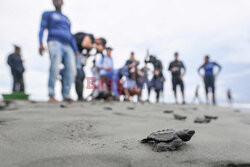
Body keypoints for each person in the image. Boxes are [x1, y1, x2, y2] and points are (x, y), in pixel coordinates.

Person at [39, 0, 79, 102]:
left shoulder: (67, 19)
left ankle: (66, 94)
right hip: (54, 42)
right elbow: (42, 28)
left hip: (68, 45)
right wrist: (40, 43)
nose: (57, 1)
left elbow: (70, 35)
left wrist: (76, 50)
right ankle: (51, 94)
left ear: (62, 2)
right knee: (55, 64)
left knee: (72, 69)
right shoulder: (48, 14)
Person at [74, 32, 96, 101]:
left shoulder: (83, 50)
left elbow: (83, 62)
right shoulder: (89, 37)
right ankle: (79, 96)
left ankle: (80, 96)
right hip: (75, 56)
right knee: (80, 75)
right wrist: (96, 47)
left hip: (77, 59)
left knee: (81, 75)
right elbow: (85, 44)